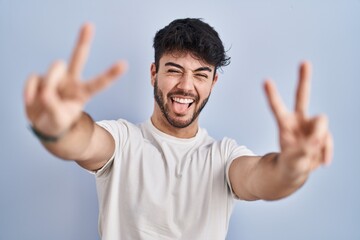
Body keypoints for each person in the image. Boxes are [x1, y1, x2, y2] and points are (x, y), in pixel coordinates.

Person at [24, 18, 333, 240]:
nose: (186, 87)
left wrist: (293, 167)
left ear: (213, 83)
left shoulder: (224, 157)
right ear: (154, 73)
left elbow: (264, 178)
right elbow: (83, 141)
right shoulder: (122, 140)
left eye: (201, 75)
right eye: (174, 70)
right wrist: (58, 128)